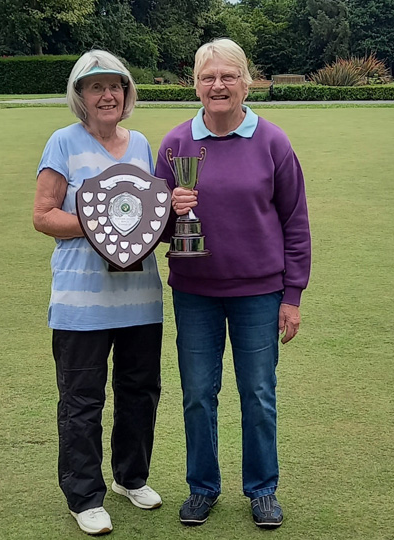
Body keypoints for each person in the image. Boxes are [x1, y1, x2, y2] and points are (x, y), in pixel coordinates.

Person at [155, 38, 311, 529]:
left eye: (227, 76)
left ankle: (262, 489)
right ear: (195, 85)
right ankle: (203, 487)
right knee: (198, 393)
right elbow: (151, 226)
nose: (217, 85)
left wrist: (293, 295)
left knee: (258, 393)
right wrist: (168, 215)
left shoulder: (273, 142)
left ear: (247, 81)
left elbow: (295, 222)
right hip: (195, 291)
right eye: (207, 77)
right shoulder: (176, 144)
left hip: (259, 294)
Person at [33, 50, 163, 536]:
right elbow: (44, 215)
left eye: (116, 86)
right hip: (80, 302)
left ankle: (132, 477)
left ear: (127, 93)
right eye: (96, 87)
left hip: (140, 298)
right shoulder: (62, 143)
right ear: (80, 96)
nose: (107, 95)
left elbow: (147, 217)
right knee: (82, 399)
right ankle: (84, 495)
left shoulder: (142, 144)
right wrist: (100, 226)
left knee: (140, 391)